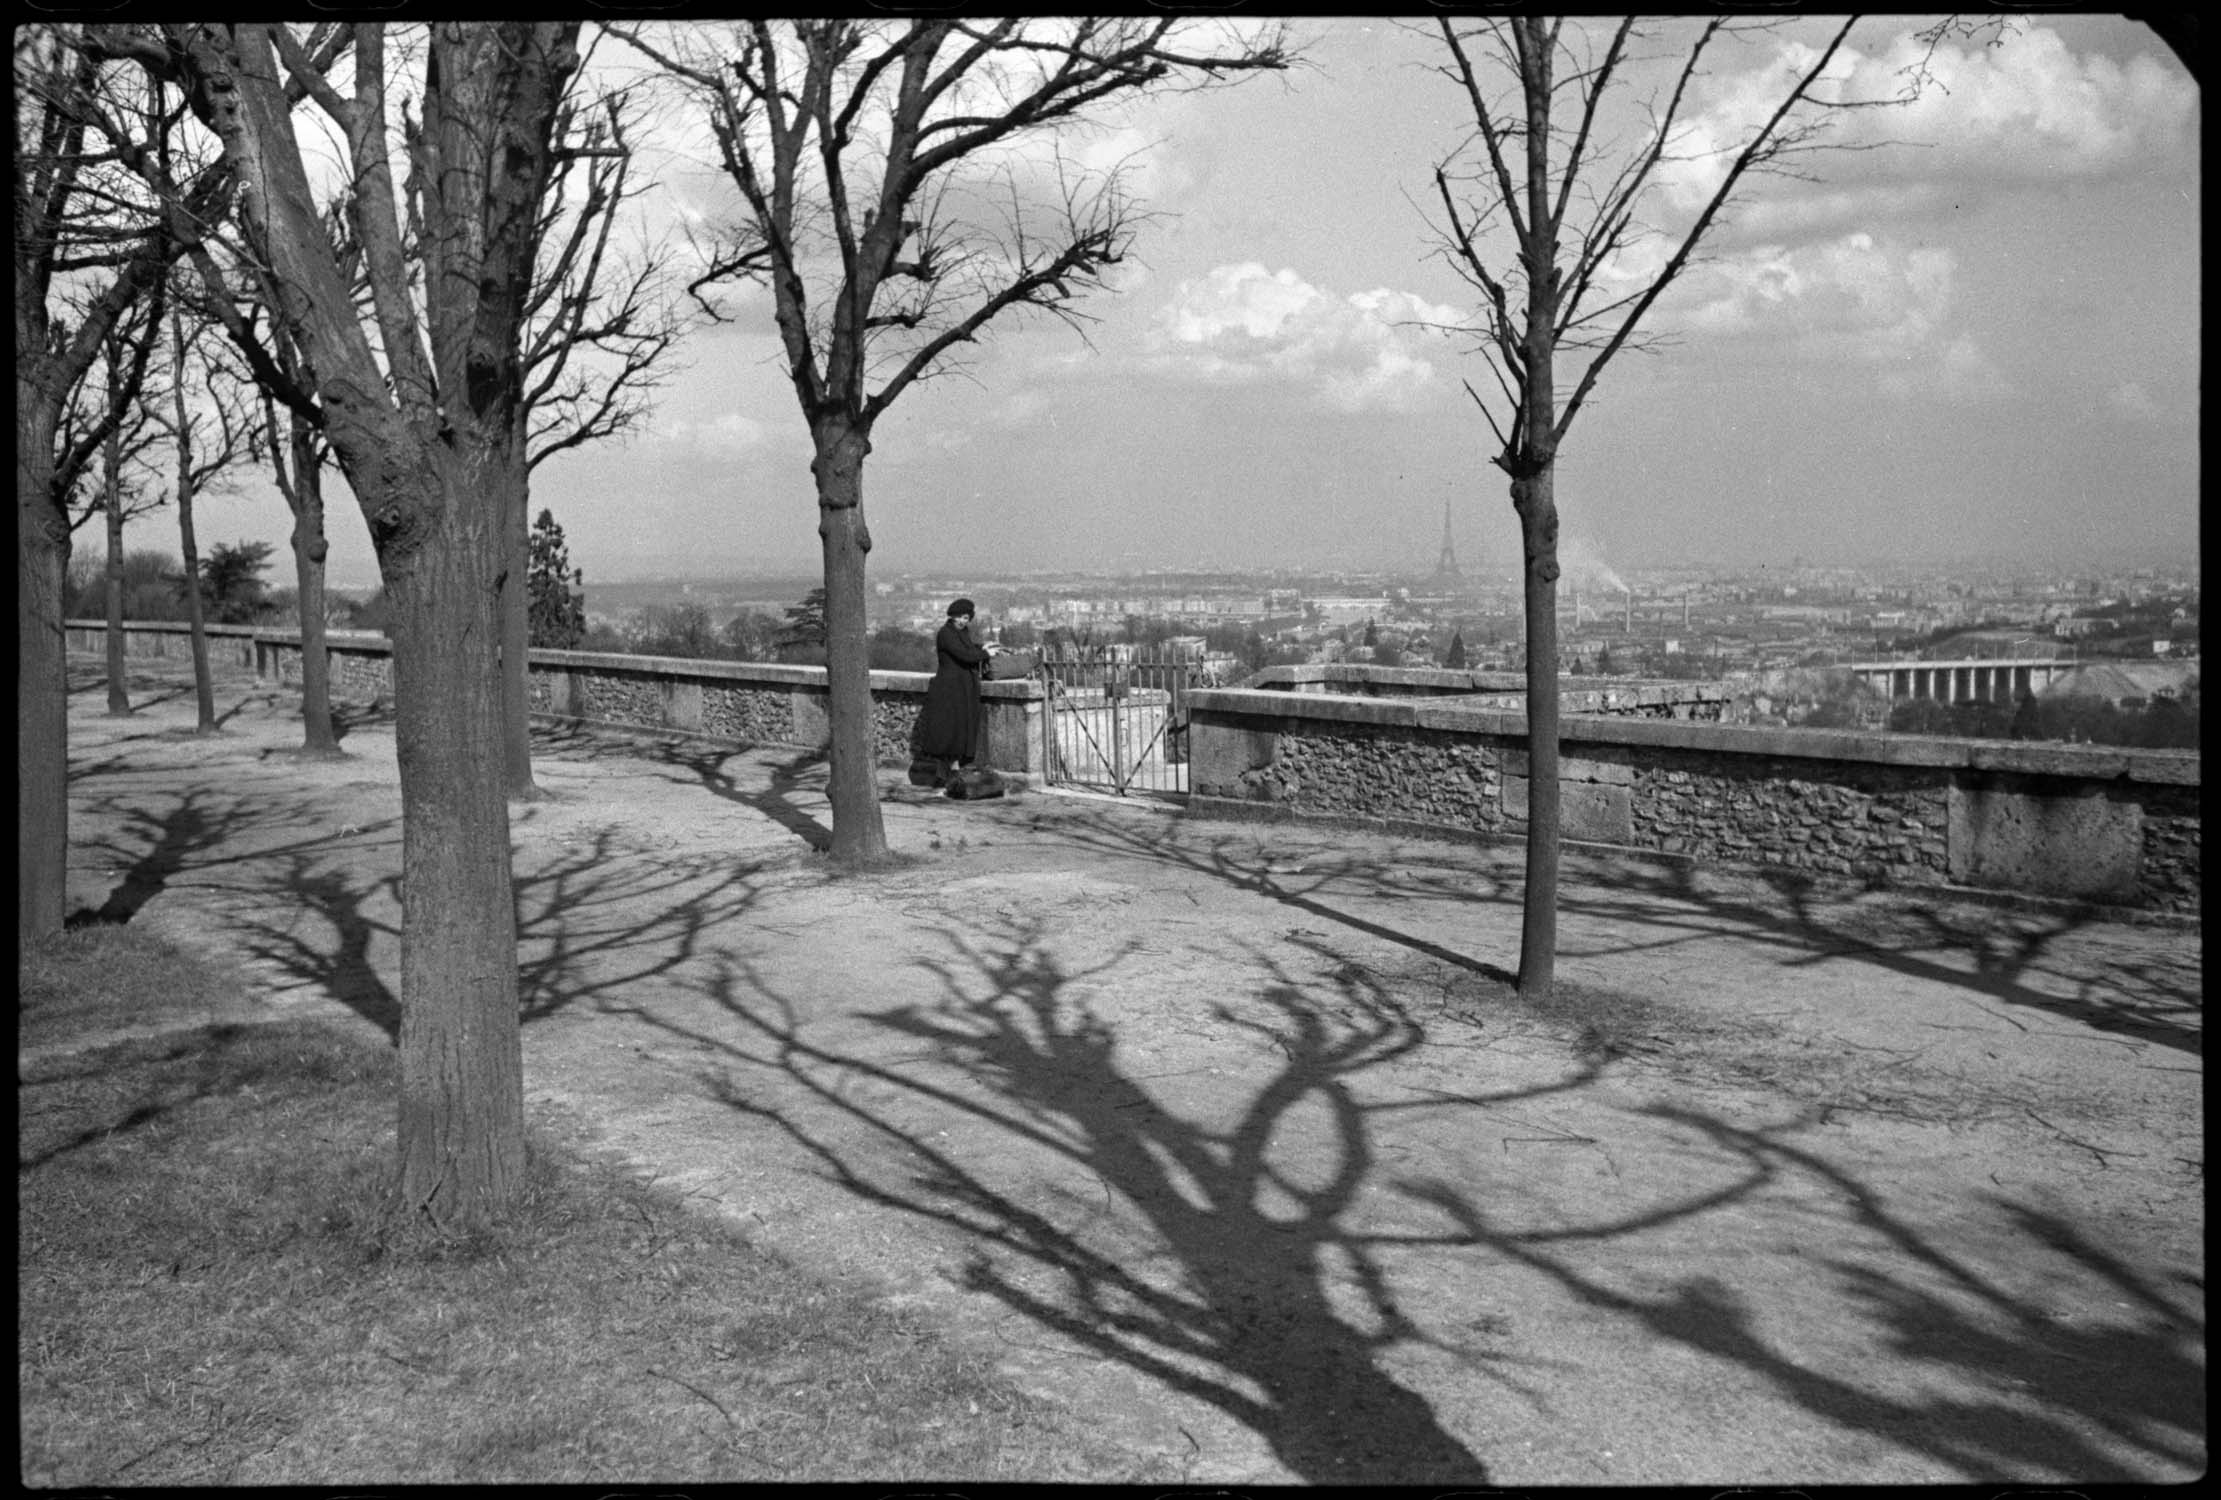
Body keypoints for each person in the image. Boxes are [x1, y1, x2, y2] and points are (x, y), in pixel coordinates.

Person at [913, 597, 997, 788]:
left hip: (961, 689)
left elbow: (968, 648)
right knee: (950, 732)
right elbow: (964, 655)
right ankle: (950, 772)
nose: (962, 621)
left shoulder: (960, 633)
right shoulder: (945, 634)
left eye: (966, 618)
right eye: (959, 617)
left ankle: (949, 773)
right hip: (949, 690)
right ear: (952, 616)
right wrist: (985, 654)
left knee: (959, 730)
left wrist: (982, 647)